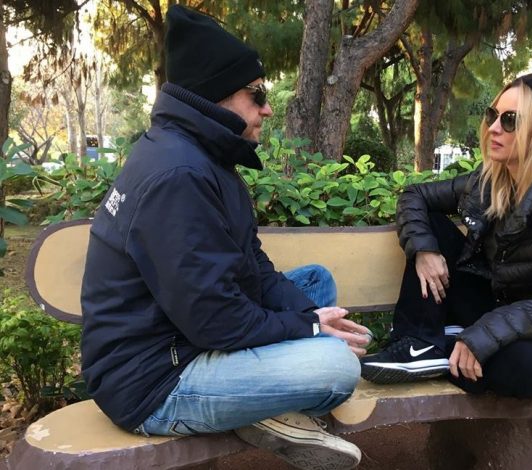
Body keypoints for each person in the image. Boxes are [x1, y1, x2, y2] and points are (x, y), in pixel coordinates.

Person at [80, 6, 369, 470]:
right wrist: (311, 330)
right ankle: (262, 408)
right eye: (257, 95)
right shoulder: (179, 176)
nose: (268, 108)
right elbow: (215, 320)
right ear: (216, 96)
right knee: (336, 368)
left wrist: (309, 318)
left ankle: (259, 406)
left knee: (315, 284)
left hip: (188, 334)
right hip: (155, 380)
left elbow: (252, 268)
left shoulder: (204, 158)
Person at [361, 72, 532, 401]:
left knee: (508, 363)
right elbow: (415, 196)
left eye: (510, 120)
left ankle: (447, 345)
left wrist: (485, 332)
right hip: (503, 309)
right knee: (433, 227)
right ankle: (419, 344)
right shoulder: (491, 179)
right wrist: (424, 251)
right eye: (492, 115)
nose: (494, 128)